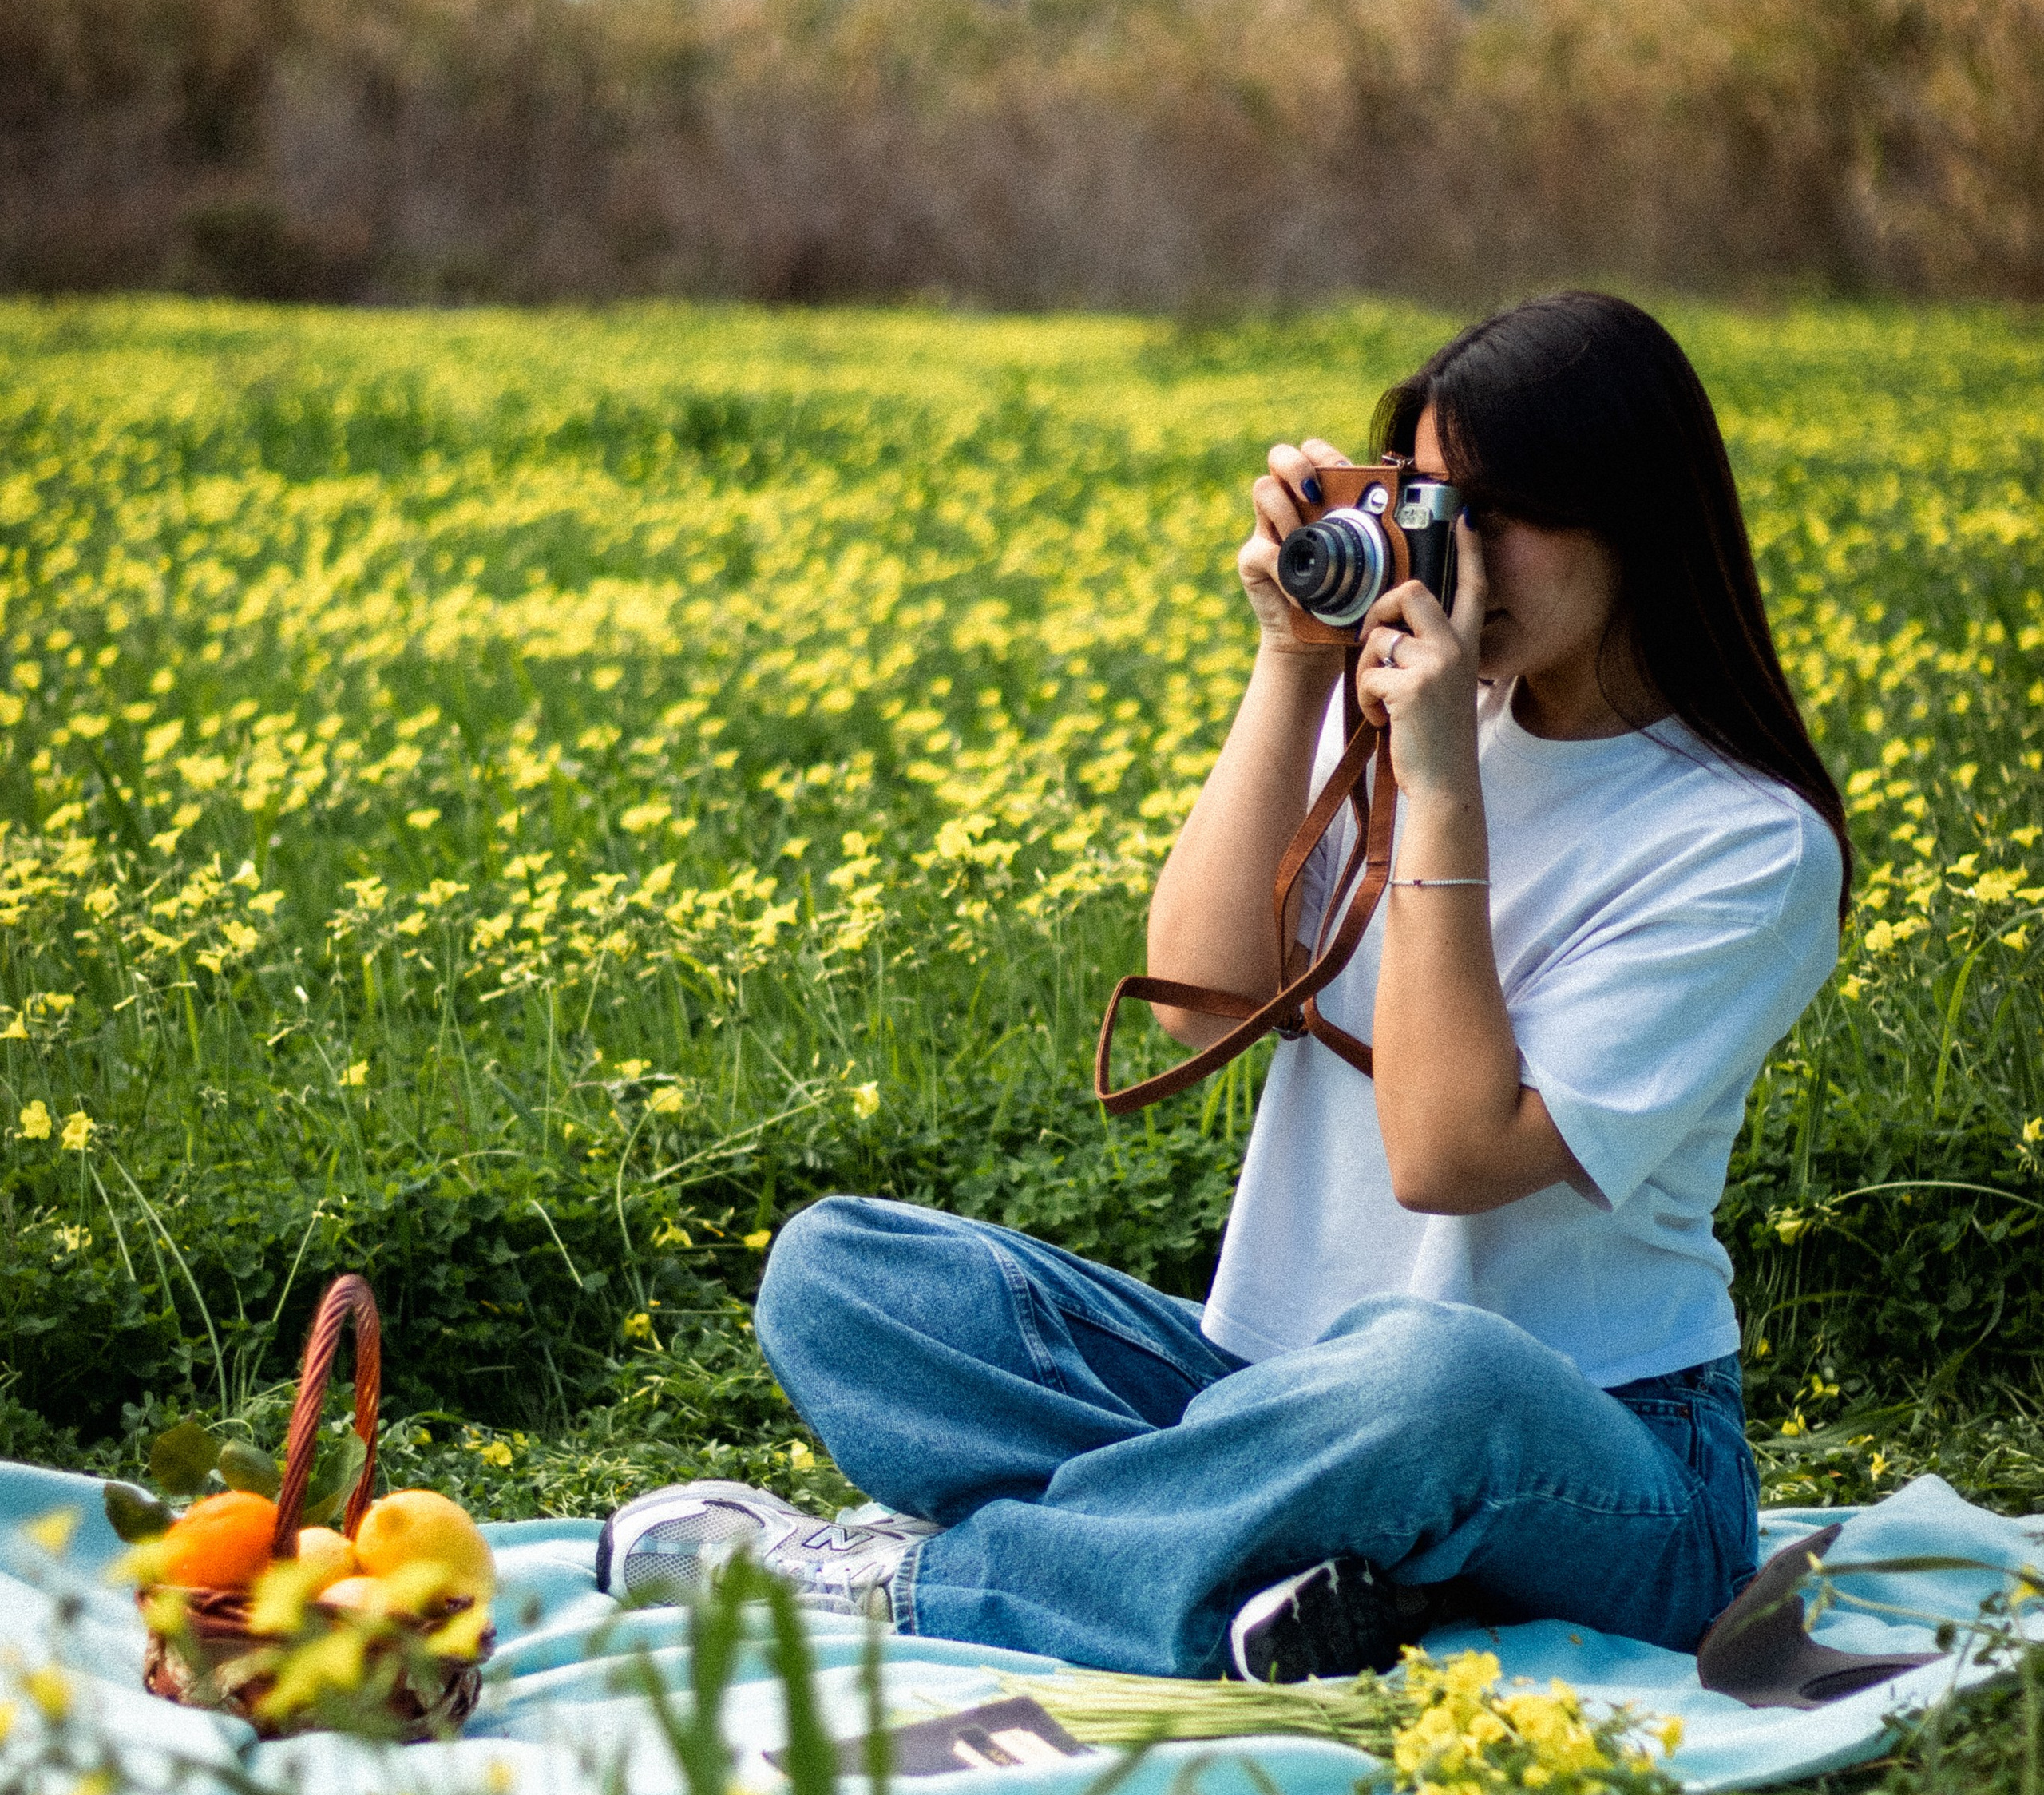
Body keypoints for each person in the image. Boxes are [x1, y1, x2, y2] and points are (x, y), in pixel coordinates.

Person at [597, 291, 1852, 1683]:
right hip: (1263, 1392)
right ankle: (1296, 1571)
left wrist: (1439, 782)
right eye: (1430, 504)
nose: (1455, 557)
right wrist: (1293, 663)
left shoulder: (1745, 845)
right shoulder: (1422, 708)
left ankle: (918, 1584)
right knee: (843, 1276)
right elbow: (1196, 997)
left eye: (1500, 517)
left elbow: (1448, 1152)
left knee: (1437, 1375)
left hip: (1598, 1458)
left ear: (1635, 521)